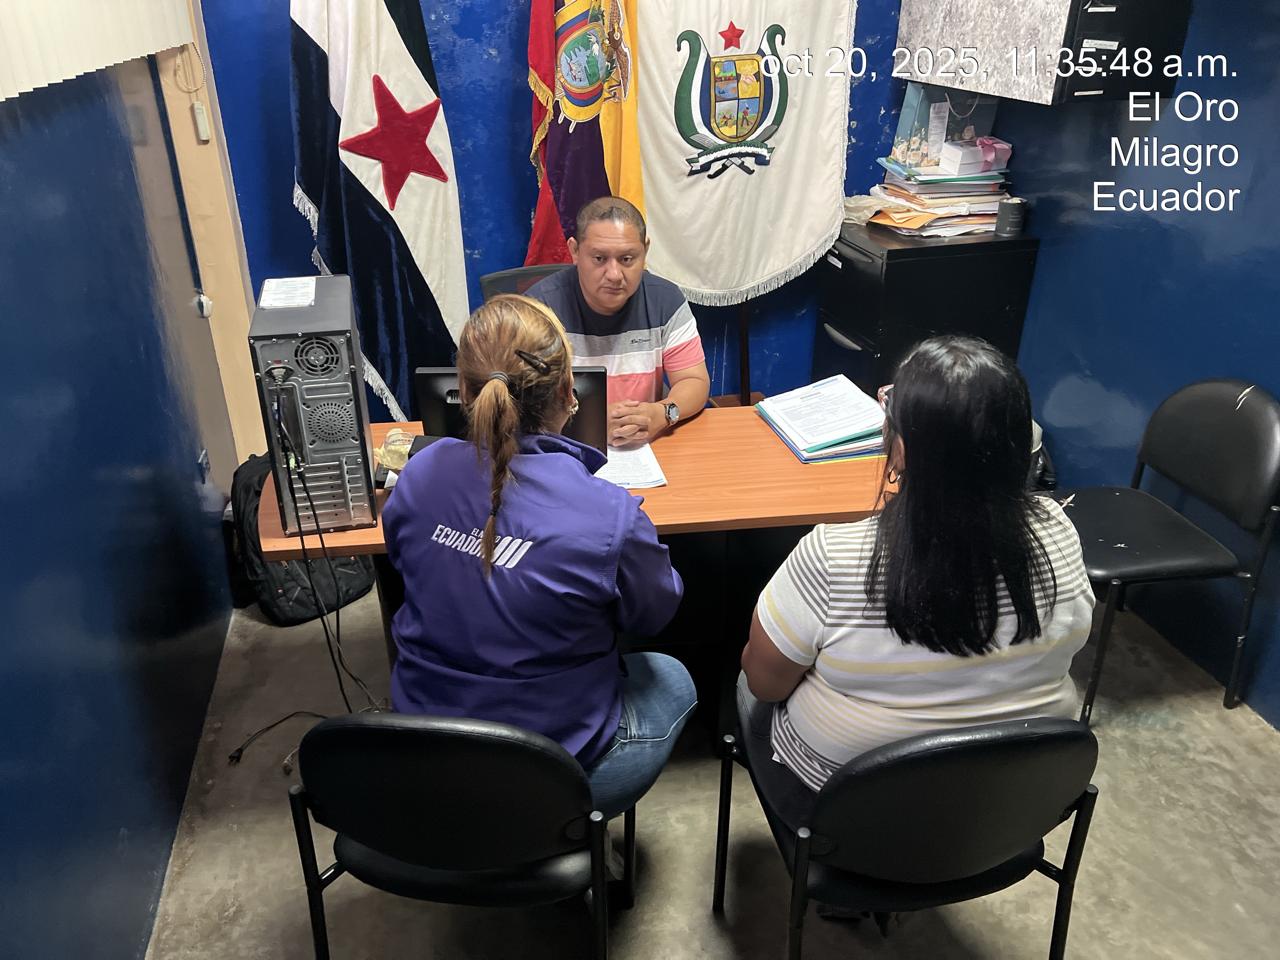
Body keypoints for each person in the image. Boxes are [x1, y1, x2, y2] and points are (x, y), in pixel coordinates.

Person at [738, 336, 1094, 825]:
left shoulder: (834, 555)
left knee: (746, 683)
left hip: (852, 817)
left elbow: (766, 684)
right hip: (1013, 808)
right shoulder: (1059, 532)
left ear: (901, 449)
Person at [382, 294, 697, 819]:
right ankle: (562, 825)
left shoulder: (418, 474)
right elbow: (652, 614)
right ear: (569, 394)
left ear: (464, 391)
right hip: (551, 769)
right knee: (671, 677)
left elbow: (403, 566)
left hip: (427, 747)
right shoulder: (609, 514)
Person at [526, 196, 711, 449]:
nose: (614, 275)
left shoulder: (666, 301)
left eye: (627, 259)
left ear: (645, 251)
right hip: (565, 451)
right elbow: (519, 404)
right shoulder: (538, 311)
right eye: (599, 258)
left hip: (644, 450)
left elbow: (694, 381)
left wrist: (663, 413)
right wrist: (586, 422)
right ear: (575, 251)